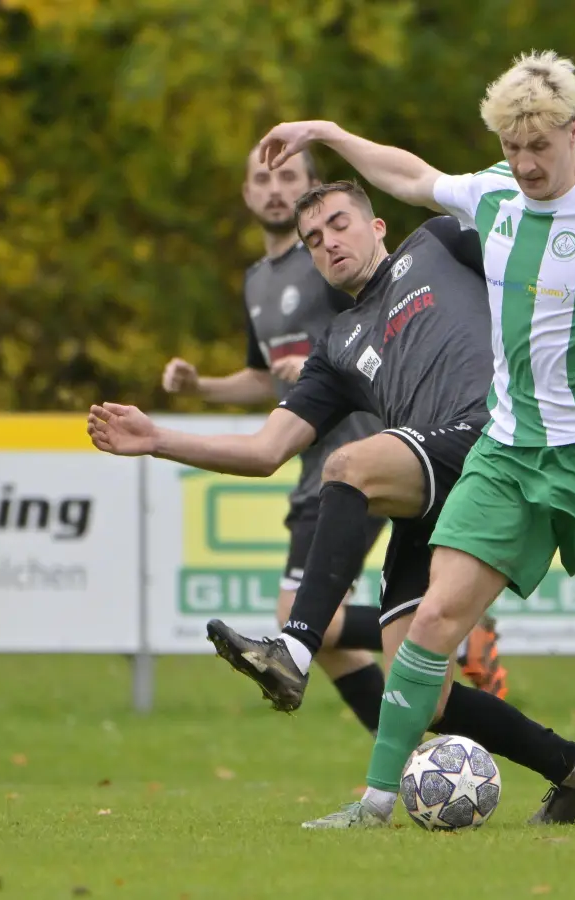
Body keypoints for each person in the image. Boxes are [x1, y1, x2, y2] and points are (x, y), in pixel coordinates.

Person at [252, 49, 575, 829]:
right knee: (430, 626)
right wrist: (327, 131)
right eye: (512, 147)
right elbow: (407, 175)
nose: (526, 164)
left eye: (540, 146)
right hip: (507, 453)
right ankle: (373, 803)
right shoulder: (494, 196)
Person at [90, 177, 575, 827]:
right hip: (436, 481)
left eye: (338, 223)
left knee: (351, 462)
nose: (328, 242)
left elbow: (530, 237)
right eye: (313, 239)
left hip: (495, 437)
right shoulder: (335, 348)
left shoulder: (439, 241)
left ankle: (297, 654)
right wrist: (157, 437)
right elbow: (266, 449)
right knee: (425, 696)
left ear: (377, 225)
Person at [157, 144, 393, 731]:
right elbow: (266, 377)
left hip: (359, 450)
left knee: (299, 620)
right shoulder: (257, 282)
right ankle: (412, 761)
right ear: (246, 194)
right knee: (327, 640)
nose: (274, 188)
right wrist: (200, 387)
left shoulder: (330, 263)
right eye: (262, 178)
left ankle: (446, 623)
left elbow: (384, 326)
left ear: (311, 187)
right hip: (309, 460)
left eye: (288, 176)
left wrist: (325, 367)